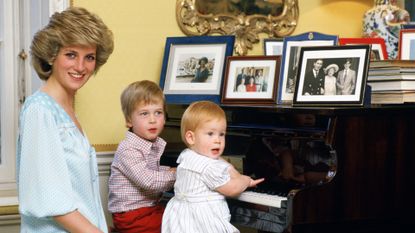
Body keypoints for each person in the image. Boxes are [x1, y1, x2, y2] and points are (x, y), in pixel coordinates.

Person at [16, 7, 114, 233]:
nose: (80, 67)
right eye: (71, 54)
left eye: (89, 57)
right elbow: (53, 201)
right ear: (51, 55)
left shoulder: (66, 110)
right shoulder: (40, 110)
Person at [161, 101, 264, 233]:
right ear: (191, 137)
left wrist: (233, 172)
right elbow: (232, 190)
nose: (218, 140)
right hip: (203, 223)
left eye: (221, 134)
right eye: (210, 134)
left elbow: (223, 164)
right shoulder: (208, 167)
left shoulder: (187, 155)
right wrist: (245, 180)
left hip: (182, 220)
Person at [108, 80, 176, 233]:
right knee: (178, 224)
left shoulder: (149, 143)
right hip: (131, 215)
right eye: (144, 113)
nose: (153, 119)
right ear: (128, 121)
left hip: (148, 208)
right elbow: (149, 180)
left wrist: (169, 170)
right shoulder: (128, 149)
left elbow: (149, 168)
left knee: (179, 215)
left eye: (158, 112)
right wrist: (179, 174)